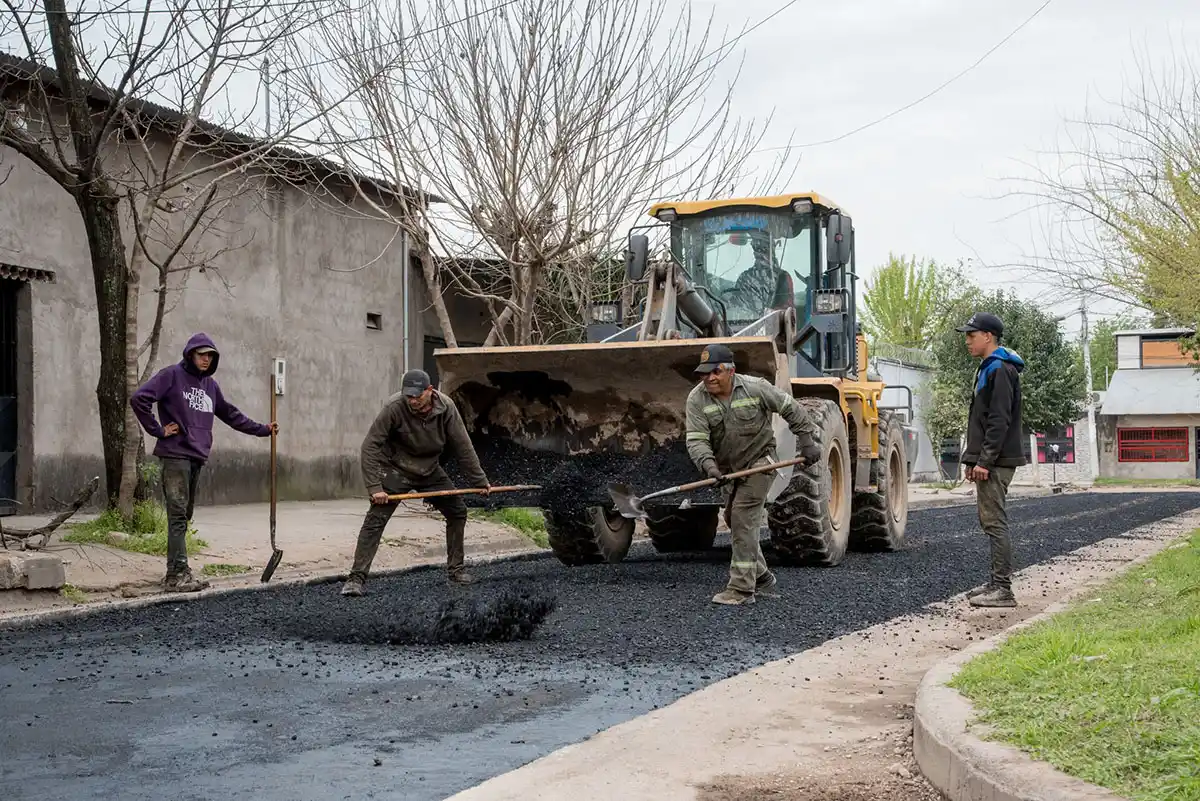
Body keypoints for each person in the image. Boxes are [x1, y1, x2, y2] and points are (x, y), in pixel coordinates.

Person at [130, 333, 277, 593]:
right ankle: (177, 575)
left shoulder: (210, 386)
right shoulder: (171, 376)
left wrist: (263, 429)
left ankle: (176, 570)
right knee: (177, 515)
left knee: (184, 516)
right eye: (201, 354)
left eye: (210, 355)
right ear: (190, 354)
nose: (206, 359)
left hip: (197, 455)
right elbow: (139, 398)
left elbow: (231, 415)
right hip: (175, 455)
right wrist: (159, 430)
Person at [684, 344, 823, 606]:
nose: (710, 378)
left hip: (761, 462)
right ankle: (762, 577)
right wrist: (709, 466)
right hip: (728, 470)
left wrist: (806, 441)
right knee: (734, 519)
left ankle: (741, 589)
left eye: (716, 371)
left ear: (731, 371)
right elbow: (696, 440)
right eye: (704, 373)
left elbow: (790, 408)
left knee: (742, 517)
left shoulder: (755, 387)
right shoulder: (697, 399)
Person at [342, 369, 491, 596]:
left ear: (429, 391)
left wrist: (479, 481)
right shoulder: (394, 407)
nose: (412, 401)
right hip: (396, 469)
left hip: (429, 469)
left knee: (457, 511)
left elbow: (463, 446)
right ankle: (356, 579)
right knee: (375, 520)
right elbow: (370, 446)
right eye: (408, 396)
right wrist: (375, 487)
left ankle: (456, 570)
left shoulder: (446, 407)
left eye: (416, 396)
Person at [956, 311, 1027, 608]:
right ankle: (996, 583)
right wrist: (973, 460)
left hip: (997, 461)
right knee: (990, 521)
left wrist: (984, 461)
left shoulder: (999, 369)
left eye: (972, 336)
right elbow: (982, 421)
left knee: (995, 523)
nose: (968, 342)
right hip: (991, 458)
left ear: (988, 336)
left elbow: (998, 420)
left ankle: (1003, 589)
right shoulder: (990, 367)